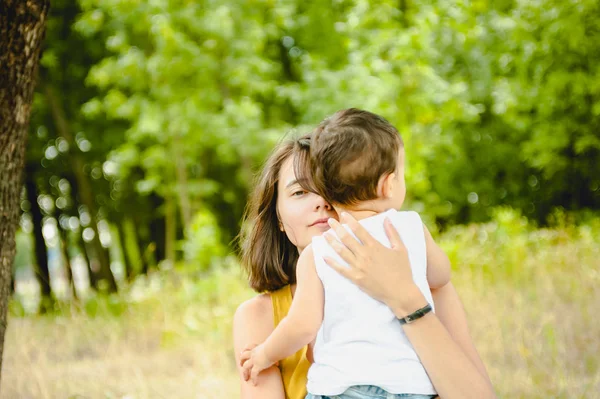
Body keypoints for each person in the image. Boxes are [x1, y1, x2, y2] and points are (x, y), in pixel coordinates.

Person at [234, 126, 496, 399]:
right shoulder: (259, 317)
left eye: (331, 185)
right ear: (278, 219)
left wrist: (404, 297)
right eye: (300, 192)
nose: (322, 202)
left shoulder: (428, 287)